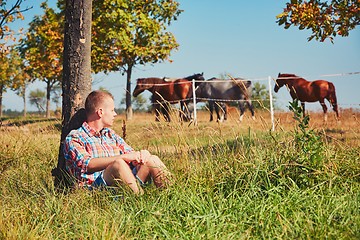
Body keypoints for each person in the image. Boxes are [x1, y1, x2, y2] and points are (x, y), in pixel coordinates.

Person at [63, 90, 171, 194]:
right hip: (97, 190)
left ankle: (171, 197)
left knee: (152, 160)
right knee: (118, 164)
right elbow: (87, 164)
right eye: (112, 110)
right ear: (100, 112)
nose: (115, 114)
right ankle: (139, 201)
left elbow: (131, 155)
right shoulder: (75, 137)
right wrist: (122, 158)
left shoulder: (110, 135)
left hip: (124, 183)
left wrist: (142, 155)